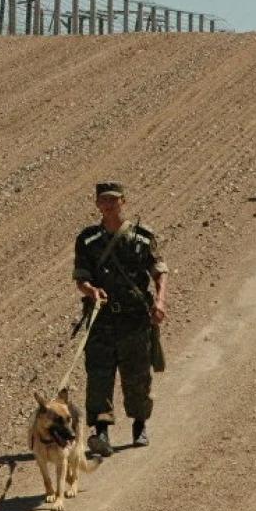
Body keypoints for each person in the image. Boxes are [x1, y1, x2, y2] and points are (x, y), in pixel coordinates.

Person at [72, 181, 169, 456]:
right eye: (104, 200)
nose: (109, 205)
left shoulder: (141, 237)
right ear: (97, 205)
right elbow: (80, 278)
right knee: (99, 377)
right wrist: (91, 290)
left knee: (137, 375)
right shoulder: (87, 240)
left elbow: (160, 272)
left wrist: (160, 302)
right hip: (101, 320)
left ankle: (140, 426)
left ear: (123, 202)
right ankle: (101, 432)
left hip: (135, 319)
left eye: (114, 200)